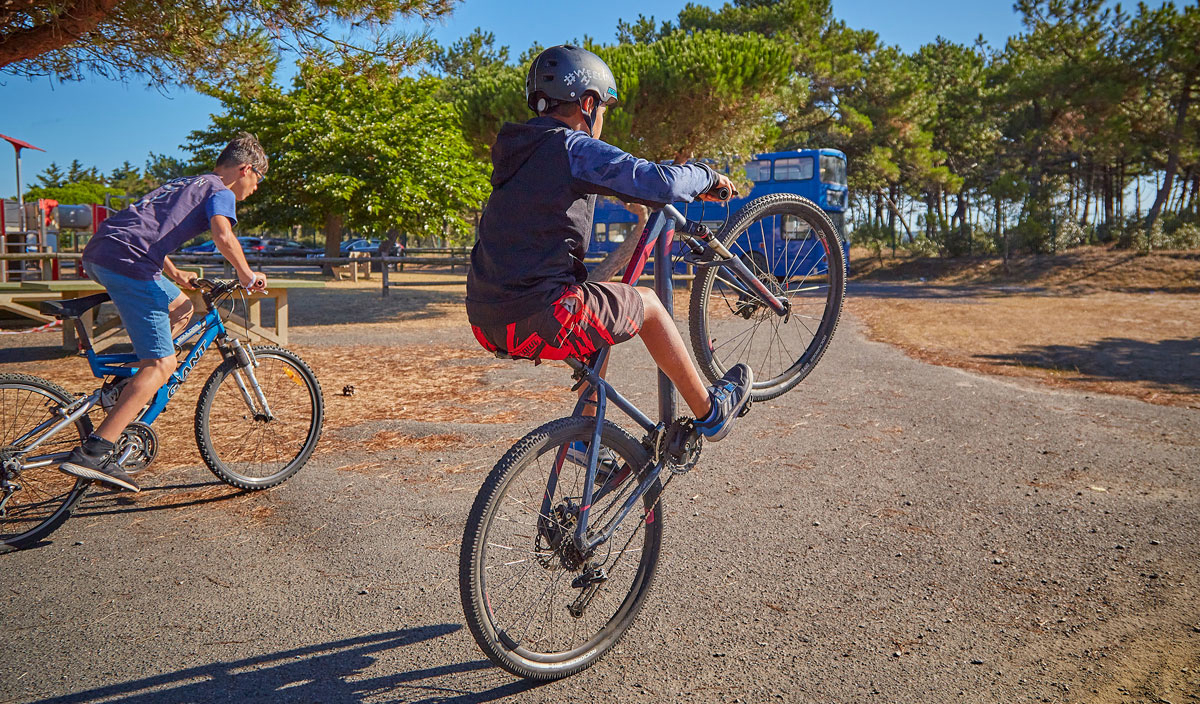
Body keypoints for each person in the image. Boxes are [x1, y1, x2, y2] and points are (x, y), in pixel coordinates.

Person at [466, 45, 753, 443]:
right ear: (587, 103)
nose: (603, 118)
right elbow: (661, 183)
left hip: (487, 320)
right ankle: (711, 413)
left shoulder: (519, 154)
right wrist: (705, 176)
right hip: (540, 315)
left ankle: (587, 443)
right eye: (603, 108)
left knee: (598, 311)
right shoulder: (572, 147)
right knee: (649, 305)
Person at [58, 132, 270, 492]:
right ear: (245, 169)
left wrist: (174, 273)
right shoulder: (220, 190)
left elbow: (149, 227)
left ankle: (130, 387)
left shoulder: (186, 183)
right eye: (257, 180)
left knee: (182, 306)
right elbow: (223, 234)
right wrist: (247, 274)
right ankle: (96, 452)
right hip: (130, 262)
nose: (254, 189)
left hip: (104, 251)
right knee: (162, 364)